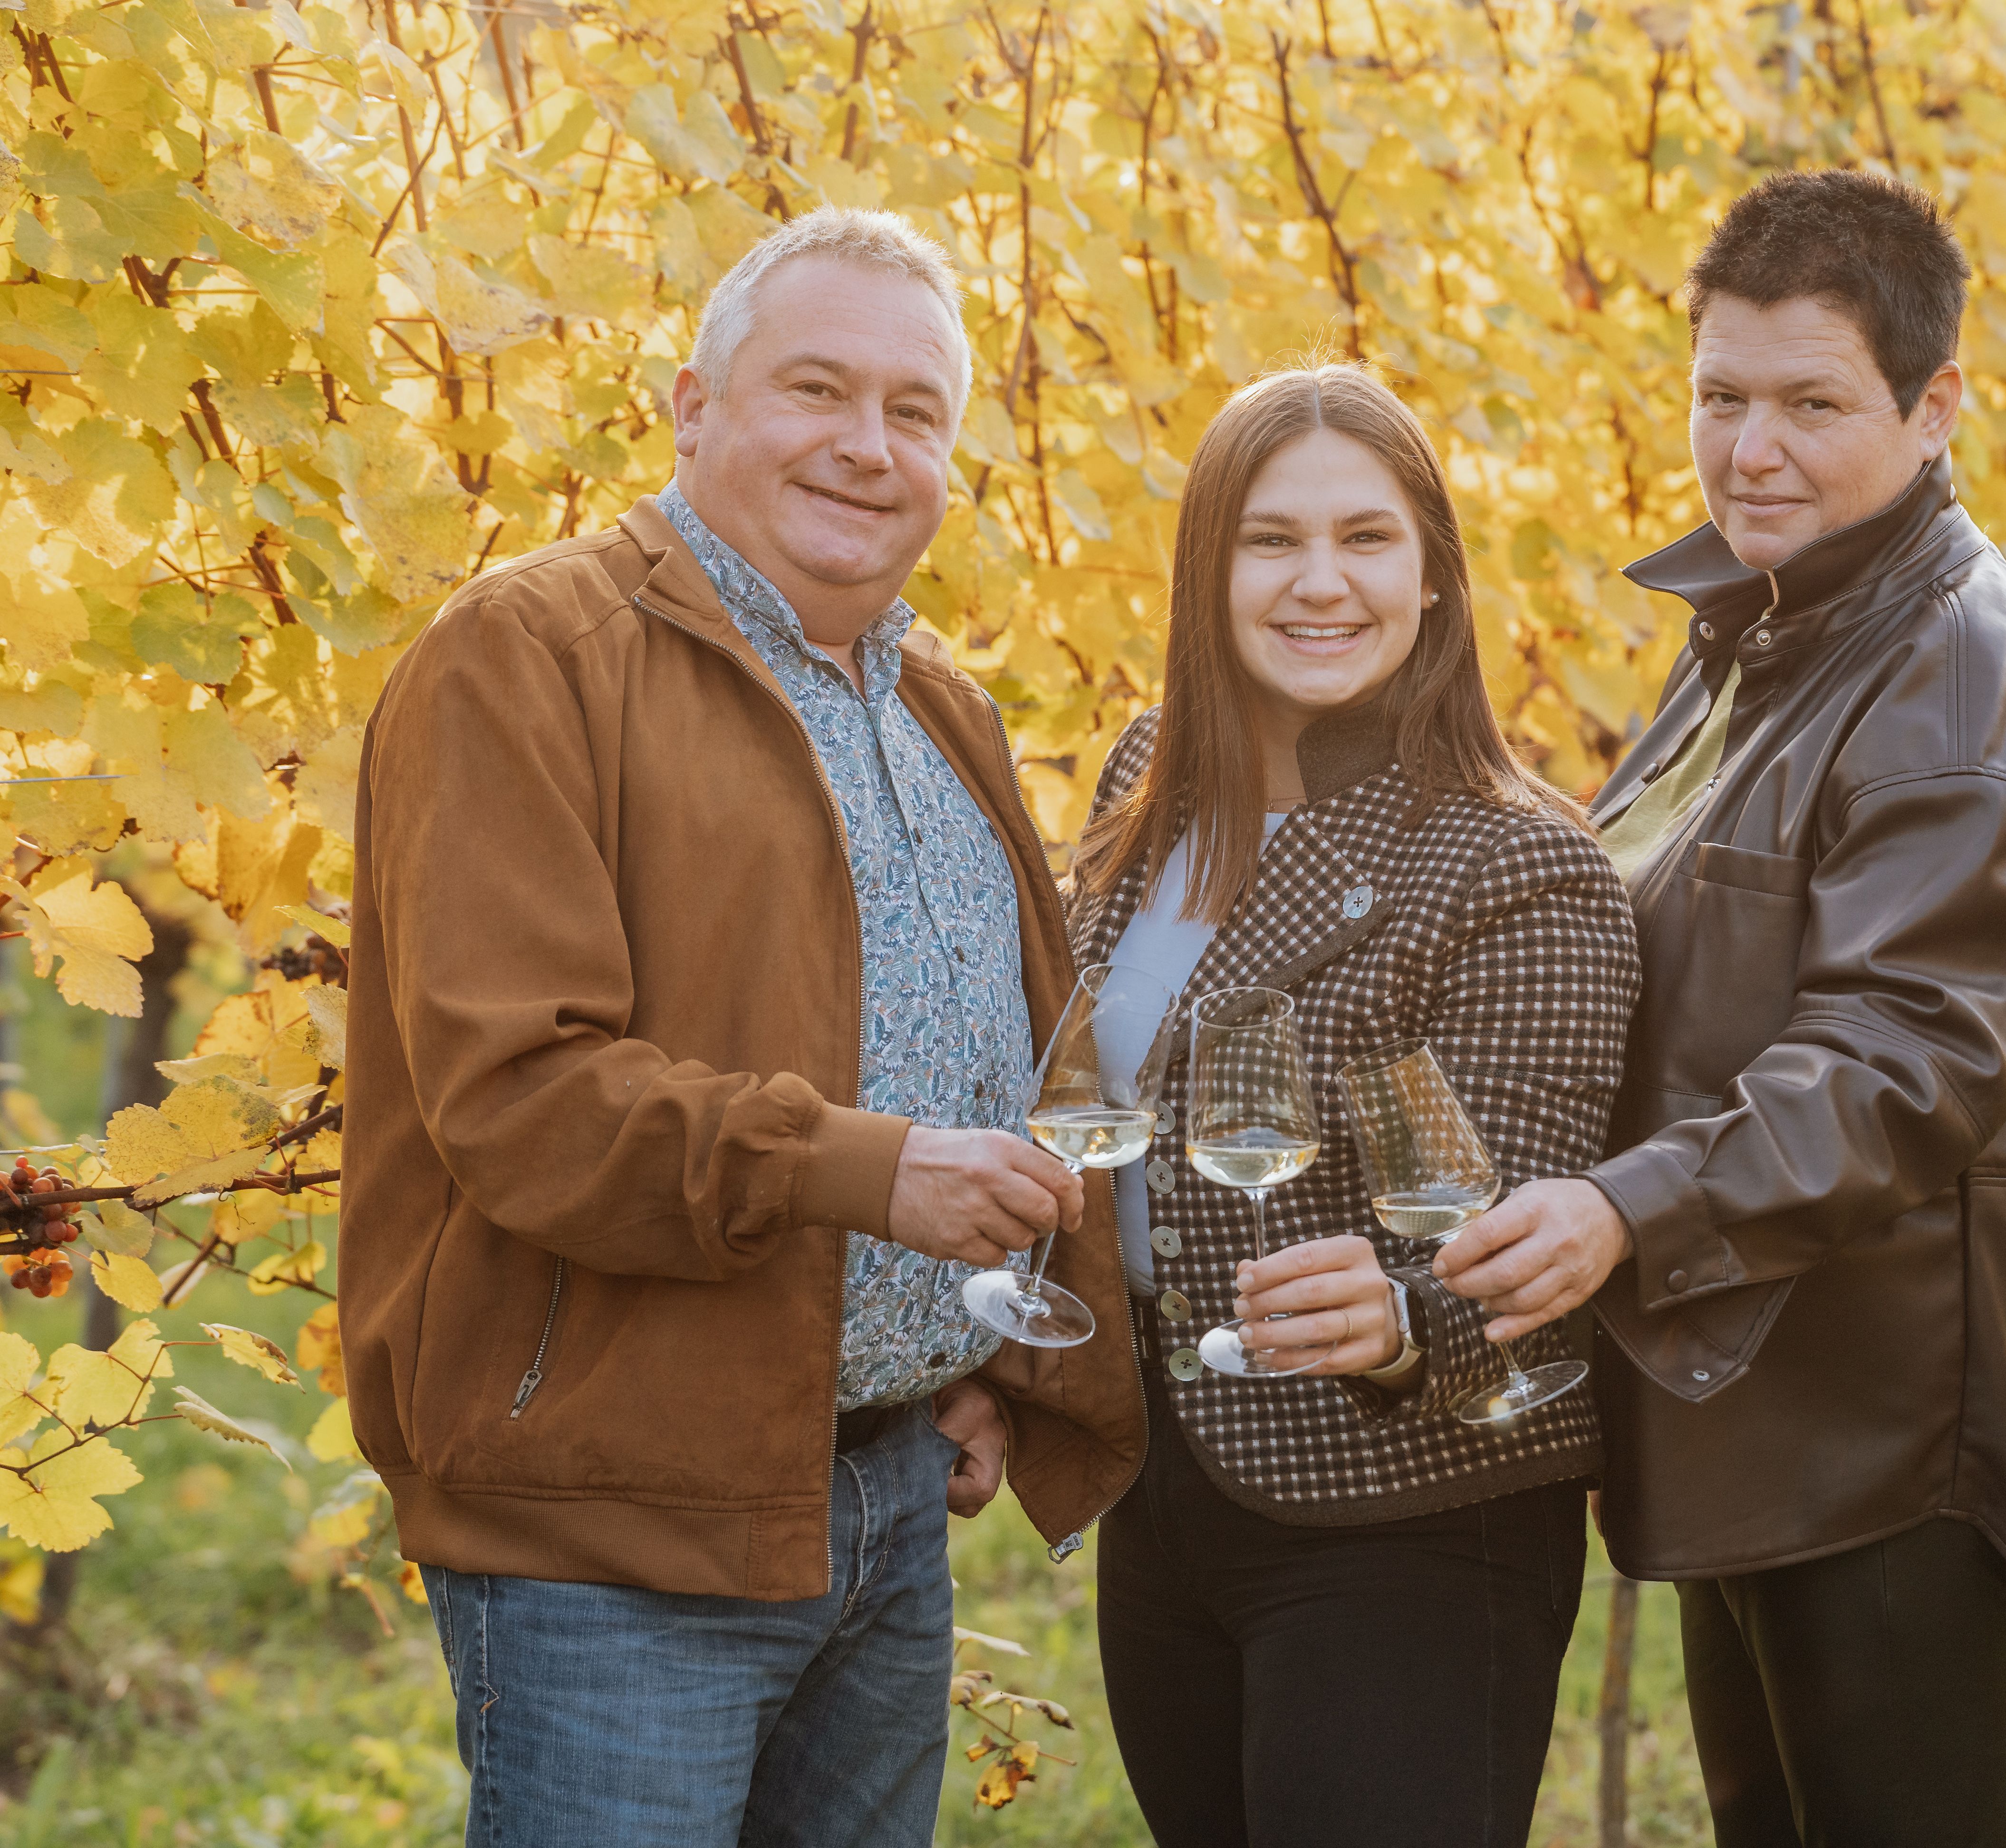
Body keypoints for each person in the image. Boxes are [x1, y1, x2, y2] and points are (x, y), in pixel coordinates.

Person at [339, 207, 1141, 1848]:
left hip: (882, 1501)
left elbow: (1004, 1063)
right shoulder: (526, 657)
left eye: (915, 412)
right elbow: (525, 1096)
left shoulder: (945, 716)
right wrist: (872, 1175)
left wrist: (979, 1349)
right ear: (694, 406)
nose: (867, 446)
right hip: (611, 1528)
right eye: (816, 390)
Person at [1436, 170, 2006, 1846]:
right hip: (1749, 1388)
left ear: (1934, 404)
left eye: (1812, 404)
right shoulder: (1777, 621)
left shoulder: (1965, 691)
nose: (1750, 450)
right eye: (1721, 396)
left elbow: (1901, 1063)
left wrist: (1624, 1209)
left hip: (1878, 1433)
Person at [1068, 362, 1640, 1848]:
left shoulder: (1520, 868)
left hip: (1409, 1518)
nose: (1321, 583)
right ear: (1210, 571)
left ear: (1436, 579)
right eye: (1272, 540)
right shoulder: (1150, 786)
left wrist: (1400, 1315)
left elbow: (1518, 1236)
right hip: (1171, 1487)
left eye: (1368, 539)